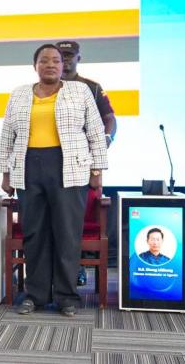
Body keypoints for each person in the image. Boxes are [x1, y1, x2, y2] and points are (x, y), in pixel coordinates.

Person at [0, 44, 108, 317]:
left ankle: (66, 297)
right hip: (28, 167)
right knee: (35, 234)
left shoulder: (80, 91)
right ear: (34, 65)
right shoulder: (19, 94)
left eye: (56, 61)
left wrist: (98, 171)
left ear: (63, 66)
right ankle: (35, 295)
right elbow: (7, 136)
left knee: (67, 234)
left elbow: (96, 132)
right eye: (44, 60)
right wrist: (5, 172)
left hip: (69, 168)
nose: (51, 65)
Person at [56, 40, 118, 287]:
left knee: (77, 218)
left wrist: (103, 141)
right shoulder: (43, 88)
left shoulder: (91, 88)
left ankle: (77, 265)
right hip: (49, 162)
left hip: (83, 165)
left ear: (78, 58)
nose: (65, 60)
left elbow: (109, 118)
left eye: (69, 55)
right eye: (61, 55)